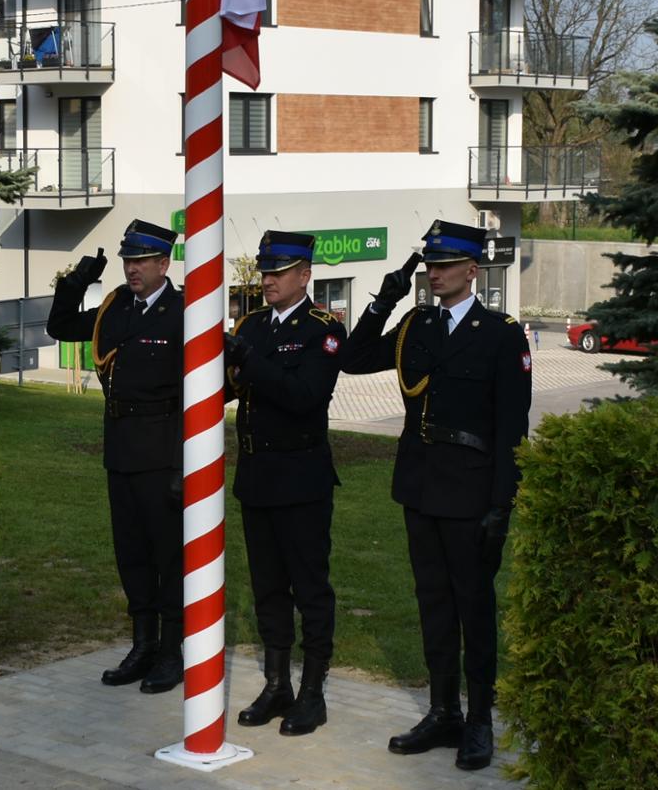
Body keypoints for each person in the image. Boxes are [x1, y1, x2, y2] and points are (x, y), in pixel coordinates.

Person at [338, 219, 531, 771]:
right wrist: (383, 300)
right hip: (421, 486)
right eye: (431, 265)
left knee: (474, 606)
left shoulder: (500, 334)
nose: (436, 273)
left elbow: (511, 427)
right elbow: (352, 359)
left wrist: (502, 504)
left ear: (473, 270)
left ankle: (479, 721)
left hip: (471, 491)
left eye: (446, 265)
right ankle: (443, 711)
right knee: (433, 603)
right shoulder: (415, 325)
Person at [45, 219, 188, 694]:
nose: (133, 269)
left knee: (169, 557)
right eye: (128, 261)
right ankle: (142, 645)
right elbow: (60, 325)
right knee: (132, 556)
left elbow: (198, 395)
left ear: (163, 263)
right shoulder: (114, 307)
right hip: (122, 450)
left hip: (163, 453)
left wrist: (182, 464)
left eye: (141, 261)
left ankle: (171, 653)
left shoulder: (183, 311)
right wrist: (78, 278)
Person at [221, 230, 348, 736]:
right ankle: (277, 683)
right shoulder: (251, 324)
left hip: (301, 478)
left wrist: (249, 361)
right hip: (258, 475)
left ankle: (312, 692)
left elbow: (305, 395)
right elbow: (229, 389)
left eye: (278, 272)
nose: (268, 279)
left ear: (304, 275)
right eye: (264, 271)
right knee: (268, 586)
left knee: (310, 588)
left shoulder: (323, 329)